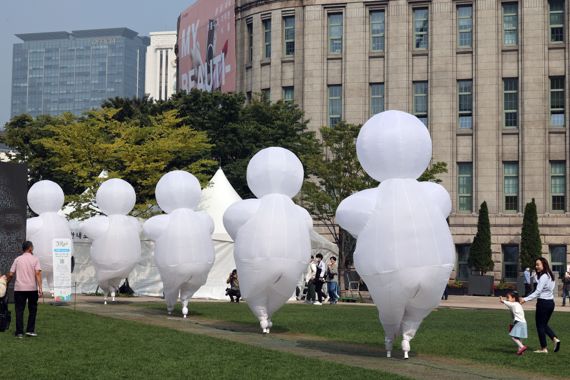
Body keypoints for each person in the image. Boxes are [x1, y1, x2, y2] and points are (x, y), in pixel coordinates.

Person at [520, 258, 561, 353]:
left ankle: (544, 348)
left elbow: (537, 292)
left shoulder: (544, 276)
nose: (536, 266)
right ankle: (555, 339)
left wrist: (525, 299)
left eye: (538, 264)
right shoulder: (550, 275)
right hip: (550, 303)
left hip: (543, 303)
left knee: (540, 326)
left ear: (544, 265)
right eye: (536, 264)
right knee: (543, 324)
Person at [5, 241, 43, 338]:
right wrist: (40, 288)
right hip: (32, 289)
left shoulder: (17, 259)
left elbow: (11, 274)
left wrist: (5, 283)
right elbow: (38, 273)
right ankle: (30, 330)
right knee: (32, 310)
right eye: (32, 247)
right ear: (30, 248)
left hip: (19, 289)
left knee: (19, 310)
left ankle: (19, 332)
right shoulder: (35, 259)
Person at [499, 291, 528, 355]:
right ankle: (520, 351)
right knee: (519, 338)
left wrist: (502, 301)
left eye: (508, 297)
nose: (507, 299)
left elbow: (508, 304)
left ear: (514, 298)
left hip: (519, 323)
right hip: (523, 323)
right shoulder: (517, 304)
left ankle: (522, 347)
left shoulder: (514, 304)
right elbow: (512, 312)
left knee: (514, 337)